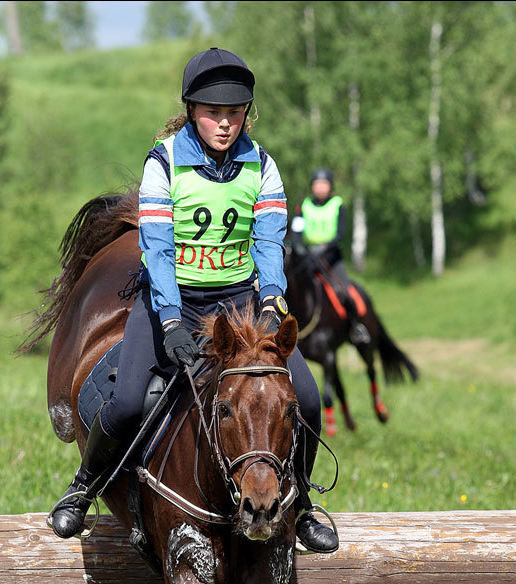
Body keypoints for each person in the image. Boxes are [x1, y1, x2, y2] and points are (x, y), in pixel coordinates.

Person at [49, 47, 338, 554]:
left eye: (234, 113)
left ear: (246, 112)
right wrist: (168, 323)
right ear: (191, 111)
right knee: (124, 406)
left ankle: (304, 506)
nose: (225, 124)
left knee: (308, 399)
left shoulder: (262, 166)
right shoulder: (164, 162)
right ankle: (83, 486)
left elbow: (269, 243)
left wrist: (271, 301)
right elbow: (157, 250)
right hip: (171, 301)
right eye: (213, 113)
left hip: (239, 302)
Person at [289, 168, 363, 323]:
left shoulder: (338, 205)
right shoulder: (303, 206)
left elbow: (340, 234)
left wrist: (324, 247)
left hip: (331, 257)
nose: (321, 187)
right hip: (308, 258)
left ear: (330, 186)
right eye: (317, 184)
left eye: (324, 184)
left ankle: (356, 326)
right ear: (312, 186)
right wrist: (300, 248)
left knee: (345, 291)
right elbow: (296, 231)